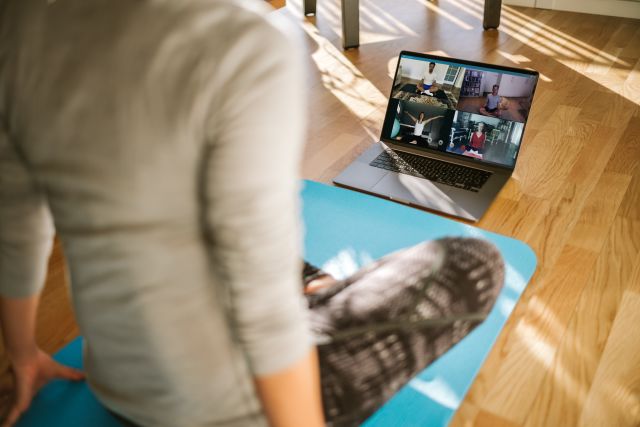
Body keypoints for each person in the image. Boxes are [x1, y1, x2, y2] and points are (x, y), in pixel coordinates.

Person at [0, 2, 505, 427]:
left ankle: (320, 294)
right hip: (223, 407)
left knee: (215, 222)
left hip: (115, 378)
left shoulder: (25, 23)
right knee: (476, 261)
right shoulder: (242, 39)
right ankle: (322, 299)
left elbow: (16, 224)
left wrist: (23, 355)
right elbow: (261, 306)